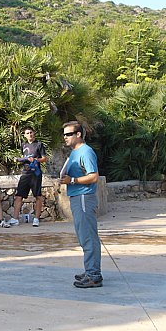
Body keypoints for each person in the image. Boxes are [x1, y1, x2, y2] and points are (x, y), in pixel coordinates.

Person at [58, 121, 103, 289]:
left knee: (89, 237)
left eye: (68, 134)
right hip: (77, 197)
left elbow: (93, 176)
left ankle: (94, 275)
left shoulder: (86, 151)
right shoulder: (75, 153)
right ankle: (90, 270)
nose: (65, 138)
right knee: (84, 236)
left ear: (78, 134)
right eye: (64, 135)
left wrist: (73, 180)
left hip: (84, 197)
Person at [7, 126, 47, 227]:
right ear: (25, 135)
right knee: (18, 195)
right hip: (25, 173)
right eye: (28, 133)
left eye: (31, 132)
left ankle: (36, 219)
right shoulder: (23, 145)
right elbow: (24, 158)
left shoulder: (39, 144)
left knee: (37, 195)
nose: (30, 134)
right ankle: (15, 218)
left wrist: (35, 160)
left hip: (36, 173)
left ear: (34, 133)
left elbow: (44, 158)